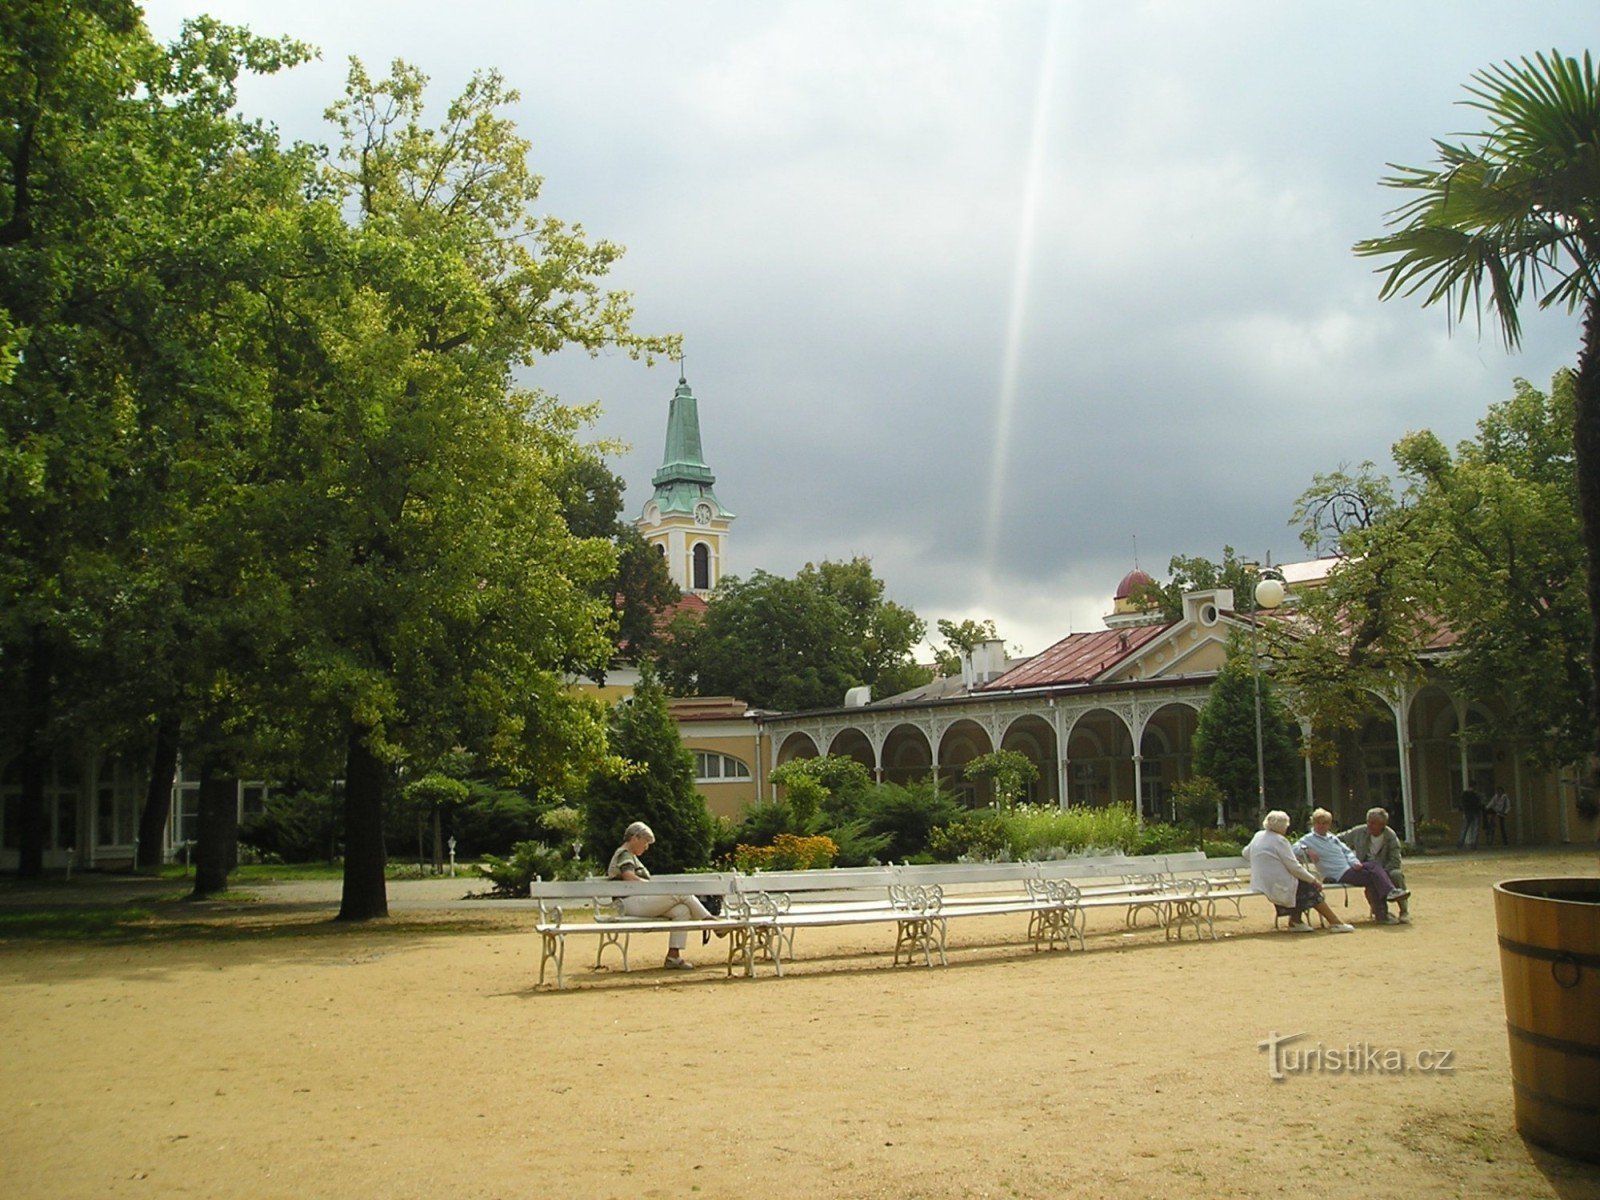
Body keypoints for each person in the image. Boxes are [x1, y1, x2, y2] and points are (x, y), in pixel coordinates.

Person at [606, 820, 716, 970]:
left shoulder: (628, 855)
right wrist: (653, 887)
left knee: (682, 910)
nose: (646, 847)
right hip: (630, 903)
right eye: (645, 842)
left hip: (638, 901)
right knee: (680, 892)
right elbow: (628, 876)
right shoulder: (624, 854)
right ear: (635, 838)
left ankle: (673, 957)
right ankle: (711, 922)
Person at [1242, 810, 1355, 933]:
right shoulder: (1280, 840)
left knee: (1300, 885)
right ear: (1283, 826)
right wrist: (1313, 880)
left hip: (1261, 882)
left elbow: (1245, 853)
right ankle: (1334, 922)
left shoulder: (1258, 835)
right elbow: (1294, 867)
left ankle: (1296, 921)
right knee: (1309, 887)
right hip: (1276, 883)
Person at [1297, 807, 1408, 923]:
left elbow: (1347, 851)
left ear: (1329, 825)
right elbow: (1293, 848)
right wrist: (1307, 849)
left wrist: (1354, 862)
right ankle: (1387, 901)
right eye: (1318, 823)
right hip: (1338, 874)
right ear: (1313, 823)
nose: (1321, 826)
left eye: (1325, 823)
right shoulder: (1308, 839)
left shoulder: (1332, 838)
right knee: (1373, 874)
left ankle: (1386, 912)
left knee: (1375, 870)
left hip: (1350, 869)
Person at [1338, 807, 1410, 923]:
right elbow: (1336, 840)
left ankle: (1404, 911)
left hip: (1386, 869)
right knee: (1371, 878)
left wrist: (1382, 875)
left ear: (1382, 825)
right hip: (1364, 869)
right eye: (1368, 822)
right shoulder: (1358, 832)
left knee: (1397, 875)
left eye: (1373, 823)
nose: (1369, 826)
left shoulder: (1390, 837)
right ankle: (1381, 913)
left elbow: (1395, 860)